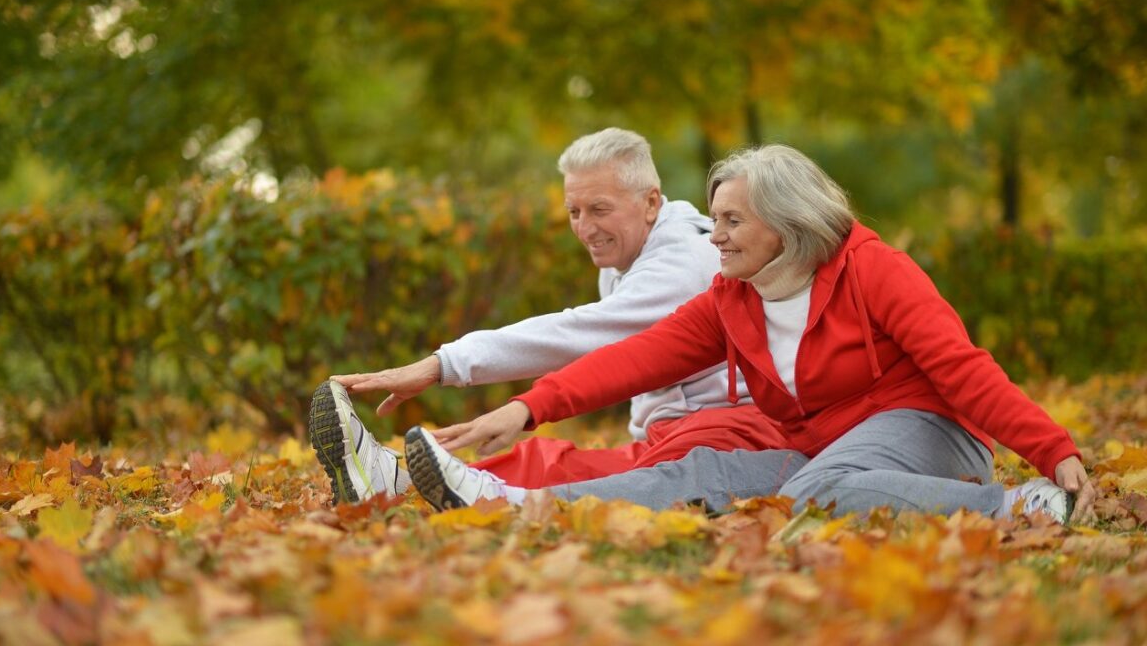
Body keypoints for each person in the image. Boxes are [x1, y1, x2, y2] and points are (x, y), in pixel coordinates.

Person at [403, 143, 1097, 523]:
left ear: (786, 223)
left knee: (817, 498)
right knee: (708, 472)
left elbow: (962, 369)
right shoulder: (731, 299)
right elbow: (634, 359)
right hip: (824, 451)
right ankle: (520, 504)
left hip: (929, 433)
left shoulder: (874, 271)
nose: (717, 236)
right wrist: (528, 407)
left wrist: (1051, 451)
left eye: (732, 221)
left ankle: (1016, 507)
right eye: (715, 218)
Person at [308, 128, 789, 504]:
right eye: (574, 211)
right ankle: (398, 480)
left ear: (650, 202)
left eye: (599, 209)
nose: (585, 228)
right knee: (549, 457)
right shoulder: (628, 256)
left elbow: (579, 333)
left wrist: (444, 365)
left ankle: (419, 486)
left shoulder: (687, 259)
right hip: (680, 433)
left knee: (610, 475)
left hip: (733, 433)